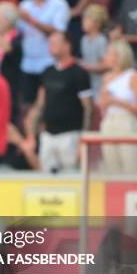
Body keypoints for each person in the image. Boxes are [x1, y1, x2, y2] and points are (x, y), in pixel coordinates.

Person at [25, 32, 93, 173]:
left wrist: (83, 140)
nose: (51, 46)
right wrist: (31, 133)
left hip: (70, 135)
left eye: (55, 43)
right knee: (46, 177)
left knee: (70, 176)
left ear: (67, 45)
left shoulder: (78, 72)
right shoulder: (47, 72)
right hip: (48, 134)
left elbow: (88, 108)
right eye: (50, 43)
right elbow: (40, 104)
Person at [17, 0, 71, 104]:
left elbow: (58, 32)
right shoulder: (24, 5)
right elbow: (18, 32)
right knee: (27, 103)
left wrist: (31, 20)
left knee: (48, 103)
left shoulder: (59, 4)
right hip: (28, 62)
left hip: (49, 62)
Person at [98, 40, 137, 172]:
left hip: (127, 121)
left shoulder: (133, 76)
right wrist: (103, 102)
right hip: (109, 122)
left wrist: (116, 102)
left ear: (119, 56)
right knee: (111, 166)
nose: (105, 56)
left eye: (109, 53)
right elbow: (102, 104)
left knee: (131, 166)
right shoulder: (107, 77)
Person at [80, 4, 109, 100]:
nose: (83, 22)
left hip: (100, 85)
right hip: (88, 84)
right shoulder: (83, 39)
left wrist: (85, 66)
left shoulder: (101, 40)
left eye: (86, 19)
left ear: (96, 23)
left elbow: (106, 65)